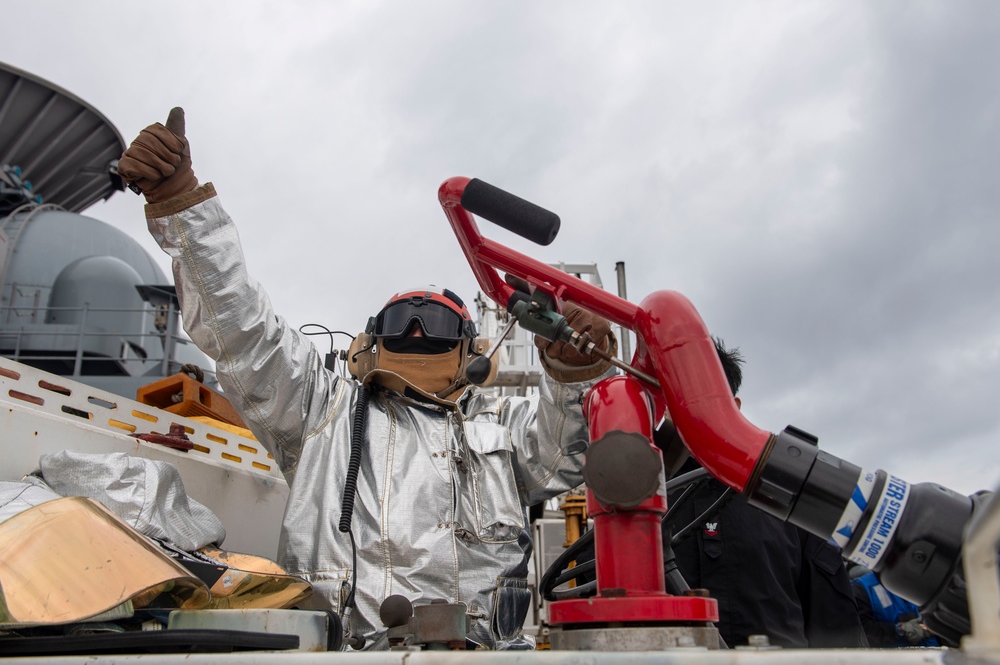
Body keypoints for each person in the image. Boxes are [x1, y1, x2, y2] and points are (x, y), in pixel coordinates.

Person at [116, 108, 616, 650]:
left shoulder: (502, 429)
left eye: (439, 322)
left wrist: (574, 368)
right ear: (370, 341)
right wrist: (183, 202)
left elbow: (563, 451)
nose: (420, 333)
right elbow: (244, 333)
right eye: (404, 321)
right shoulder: (319, 411)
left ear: (473, 347)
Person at [661, 339, 868, 648]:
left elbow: (838, 633)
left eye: (705, 397)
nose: (689, 411)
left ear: (736, 407)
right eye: (673, 398)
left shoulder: (794, 496)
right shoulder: (630, 504)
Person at [851, 568, 939, 647]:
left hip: (936, 656)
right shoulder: (862, 589)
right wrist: (900, 630)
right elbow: (859, 631)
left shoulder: (926, 580)